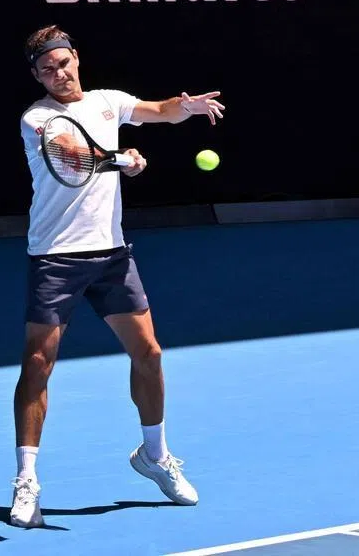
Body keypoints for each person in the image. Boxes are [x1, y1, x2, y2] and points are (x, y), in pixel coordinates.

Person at [12, 26, 224, 528]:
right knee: (38, 364)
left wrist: (184, 107)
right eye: (47, 69)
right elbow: (71, 154)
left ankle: (154, 455)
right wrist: (120, 160)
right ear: (37, 75)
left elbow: (156, 109)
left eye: (63, 63)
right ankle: (26, 480)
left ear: (76, 59)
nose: (58, 74)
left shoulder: (107, 102)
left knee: (148, 354)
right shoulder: (38, 118)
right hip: (56, 258)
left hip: (111, 255)